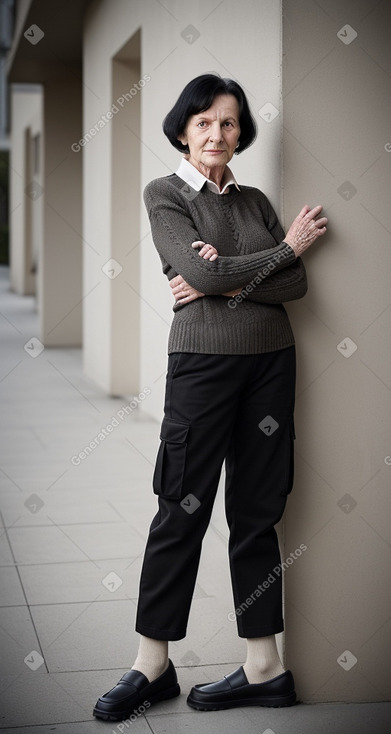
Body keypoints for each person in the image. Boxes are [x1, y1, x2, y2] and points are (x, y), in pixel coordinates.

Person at [93, 73, 327, 721]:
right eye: (203, 123)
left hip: (270, 368)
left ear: (239, 132)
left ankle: (264, 667)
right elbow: (201, 271)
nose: (216, 134)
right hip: (201, 366)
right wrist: (275, 252)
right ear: (182, 130)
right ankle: (151, 664)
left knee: (257, 511)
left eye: (227, 123)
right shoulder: (165, 193)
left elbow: (297, 285)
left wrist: (224, 277)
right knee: (181, 507)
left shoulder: (252, 200)